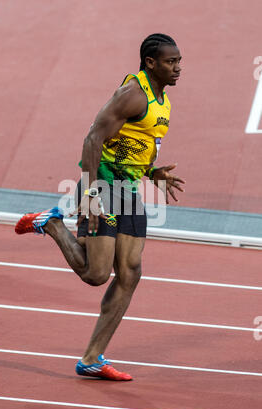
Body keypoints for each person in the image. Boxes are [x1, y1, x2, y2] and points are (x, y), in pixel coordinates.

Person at [15, 33, 185, 381]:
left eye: (179, 61)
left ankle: (92, 358)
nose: (178, 68)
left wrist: (153, 172)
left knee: (131, 272)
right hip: (104, 185)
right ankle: (52, 224)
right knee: (96, 274)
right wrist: (89, 193)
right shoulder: (133, 94)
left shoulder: (161, 100)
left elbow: (134, 143)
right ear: (151, 63)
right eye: (171, 62)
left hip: (129, 188)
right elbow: (93, 138)